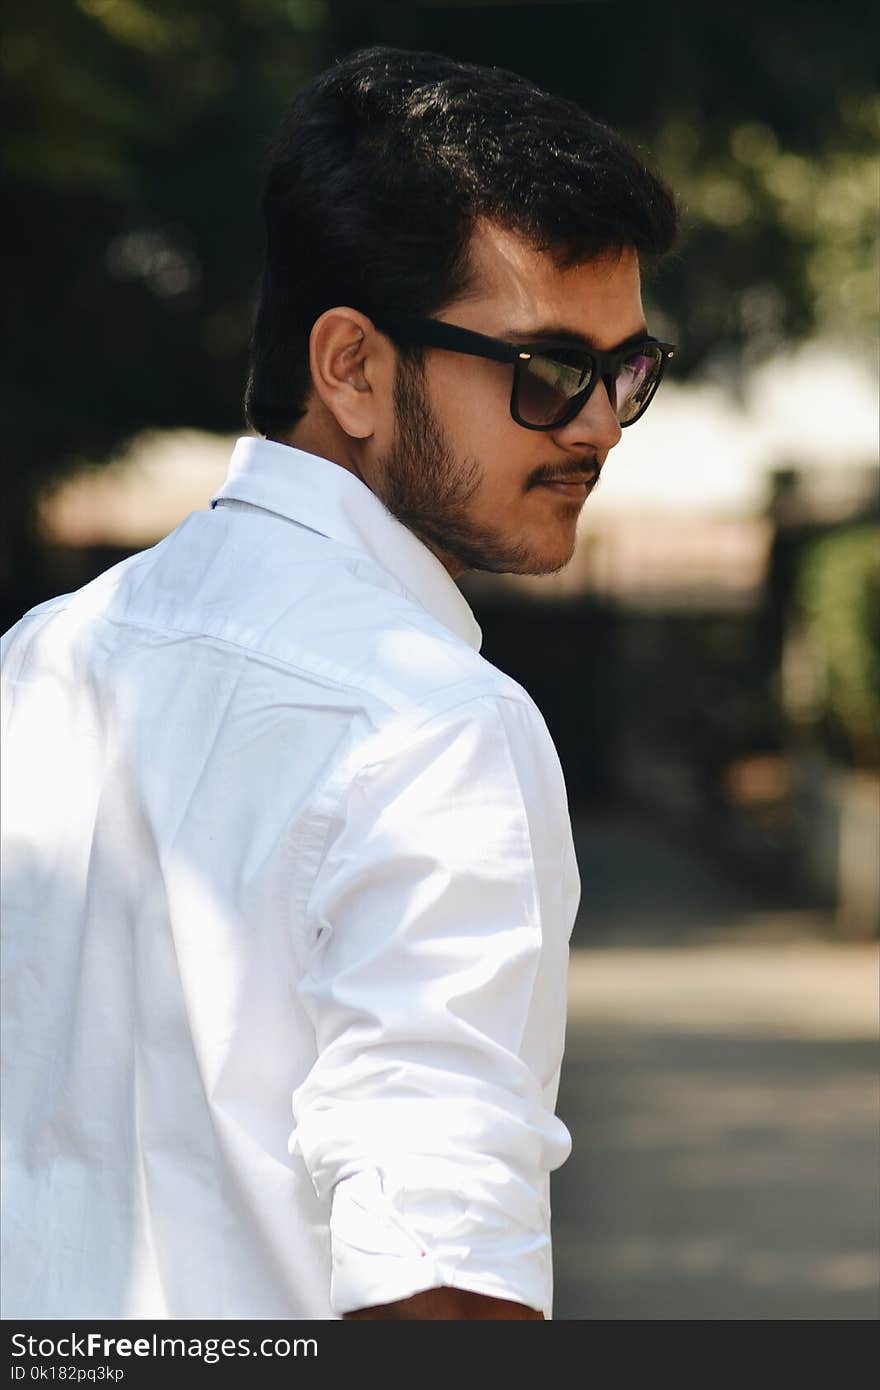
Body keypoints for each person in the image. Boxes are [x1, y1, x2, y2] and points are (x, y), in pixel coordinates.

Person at [0, 45, 677, 1321]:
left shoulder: (42, 659)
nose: (595, 423)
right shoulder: (435, 729)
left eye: (627, 370)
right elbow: (439, 1280)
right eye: (545, 372)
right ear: (352, 366)